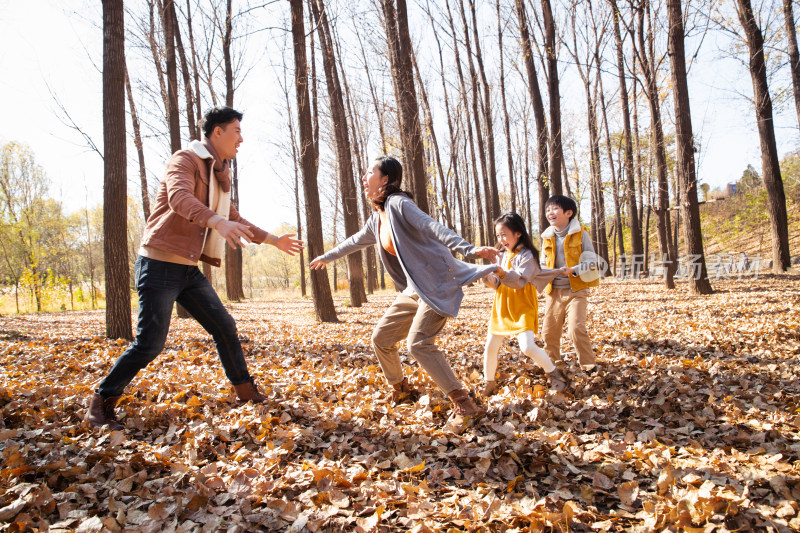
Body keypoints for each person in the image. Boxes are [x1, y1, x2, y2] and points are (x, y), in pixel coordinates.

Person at [86, 106, 304, 431]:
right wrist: (216, 220)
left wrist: (273, 240)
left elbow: (234, 218)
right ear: (217, 131)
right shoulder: (185, 160)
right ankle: (100, 403)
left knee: (224, 326)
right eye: (236, 131)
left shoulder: (219, 174)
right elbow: (179, 198)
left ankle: (245, 391)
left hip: (186, 270)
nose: (241, 139)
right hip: (159, 263)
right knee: (150, 343)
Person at [309, 156, 499, 419]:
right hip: (413, 288)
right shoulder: (377, 217)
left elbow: (433, 227)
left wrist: (469, 250)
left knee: (418, 343)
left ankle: (464, 405)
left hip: (436, 283)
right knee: (381, 339)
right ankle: (401, 389)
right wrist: (326, 257)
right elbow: (354, 241)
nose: (364, 178)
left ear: (385, 179)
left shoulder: (399, 204)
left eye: (369, 172)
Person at [481, 213, 568, 396]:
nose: (501, 239)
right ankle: (488, 382)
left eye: (504, 234)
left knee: (527, 347)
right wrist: (485, 274)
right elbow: (497, 283)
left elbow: (519, 281)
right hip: (502, 306)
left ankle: (554, 373)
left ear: (518, 233)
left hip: (523, 305)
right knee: (490, 346)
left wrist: (501, 272)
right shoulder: (503, 255)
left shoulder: (528, 255)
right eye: (498, 235)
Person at [540, 195, 600, 373]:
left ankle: (589, 367)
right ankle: (553, 367)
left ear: (568, 213)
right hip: (553, 292)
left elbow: (591, 262)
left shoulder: (581, 233)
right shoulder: (547, 237)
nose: (550, 212)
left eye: (555, 209)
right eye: (548, 209)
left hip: (577, 290)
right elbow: (543, 264)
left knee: (576, 328)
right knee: (549, 333)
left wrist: (573, 269)